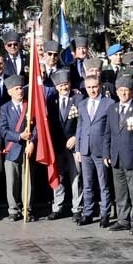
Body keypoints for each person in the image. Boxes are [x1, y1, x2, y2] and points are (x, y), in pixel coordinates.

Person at [104, 76, 133, 233]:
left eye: (126, 90)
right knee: (120, 192)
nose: (123, 93)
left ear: (131, 92)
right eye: (120, 90)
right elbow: (108, 133)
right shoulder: (112, 109)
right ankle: (123, 220)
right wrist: (106, 154)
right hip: (116, 158)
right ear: (116, 92)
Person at [75, 75, 114, 226]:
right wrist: (78, 148)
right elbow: (80, 127)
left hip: (101, 150)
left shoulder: (109, 103)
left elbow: (110, 129)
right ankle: (88, 213)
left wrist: (107, 151)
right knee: (87, 183)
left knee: (103, 183)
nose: (92, 90)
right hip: (85, 149)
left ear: (100, 86)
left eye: (95, 86)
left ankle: (105, 214)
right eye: (89, 87)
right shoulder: (83, 104)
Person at [0, 75, 36, 221]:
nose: (20, 91)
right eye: (16, 89)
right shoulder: (5, 108)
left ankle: (27, 209)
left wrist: (32, 141)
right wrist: (19, 136)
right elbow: (3, 130)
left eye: (21, 88)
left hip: (27, 149)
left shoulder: (30, 105)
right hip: (12, 149)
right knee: (12, 182)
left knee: (28, 182)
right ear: (9, 92)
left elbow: (37, 126)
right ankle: (13, 210)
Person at [46, 70, 82, 221]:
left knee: (76, 176)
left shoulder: (78, 99)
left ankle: (77, 208)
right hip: (57, 145)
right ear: (56, 87)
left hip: (73, 145)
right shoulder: (51, 100)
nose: (64, 88)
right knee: (58, 176)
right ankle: (57, 207)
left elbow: (83, 121)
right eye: (60, 85)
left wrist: (76, 137)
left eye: (66, 84)